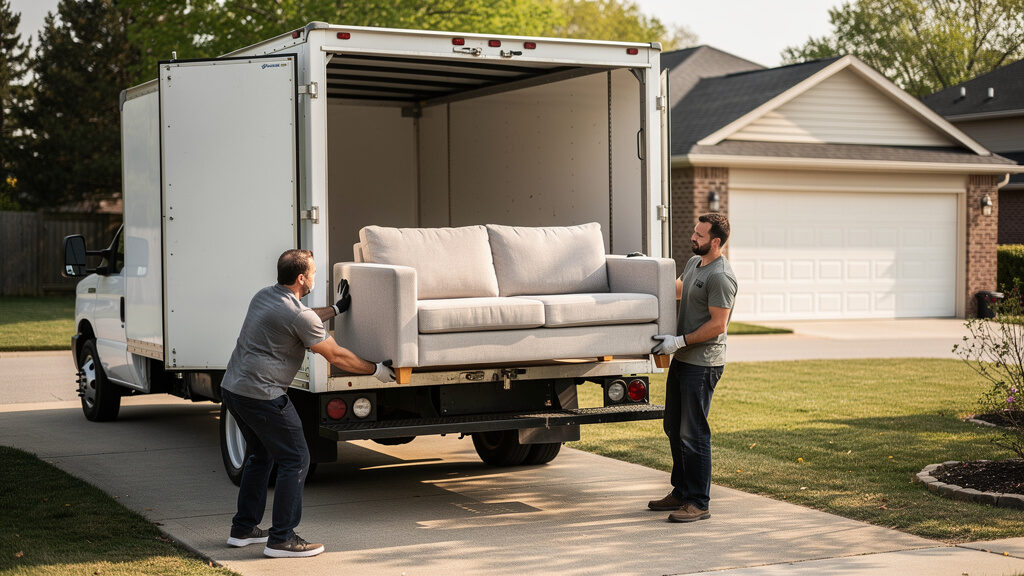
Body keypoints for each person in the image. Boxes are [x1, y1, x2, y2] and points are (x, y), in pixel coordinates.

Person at [221, 248, 394, 558]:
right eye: (313, 273)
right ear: (302, 278)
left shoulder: (265, 296)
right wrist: (377, 370)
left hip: (234, 390)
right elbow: (336, 354)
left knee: (260, 456)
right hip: (264, 396)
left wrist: (337, 310)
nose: (316, 276)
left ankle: (243, 529)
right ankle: (282, 539)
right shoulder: (298, 315)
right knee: (297, 459)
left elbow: (305, 316)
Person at [648, 213, 737, 523]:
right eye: (694, 232)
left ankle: (699, 502)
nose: (693, 238)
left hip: (702, 364)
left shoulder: (721, 276)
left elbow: (718, 325)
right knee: (673, 426)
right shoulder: (693, 264)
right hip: (683, 359)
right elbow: (677, 290)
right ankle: (682, 491)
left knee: (693, 433)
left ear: (716, 241)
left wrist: (679, 341)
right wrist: (648, 270)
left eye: (700, 235)